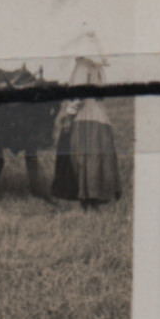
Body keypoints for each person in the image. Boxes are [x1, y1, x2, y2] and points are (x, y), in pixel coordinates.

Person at [53, 54, 122, 210]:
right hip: (101, 118)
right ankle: (95, 199)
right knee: (97, 157)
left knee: (82, 157)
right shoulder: (96, 67)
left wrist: (69, 113)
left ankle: (87, 199)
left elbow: (79, 95)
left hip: (85, 117)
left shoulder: (83, 66)